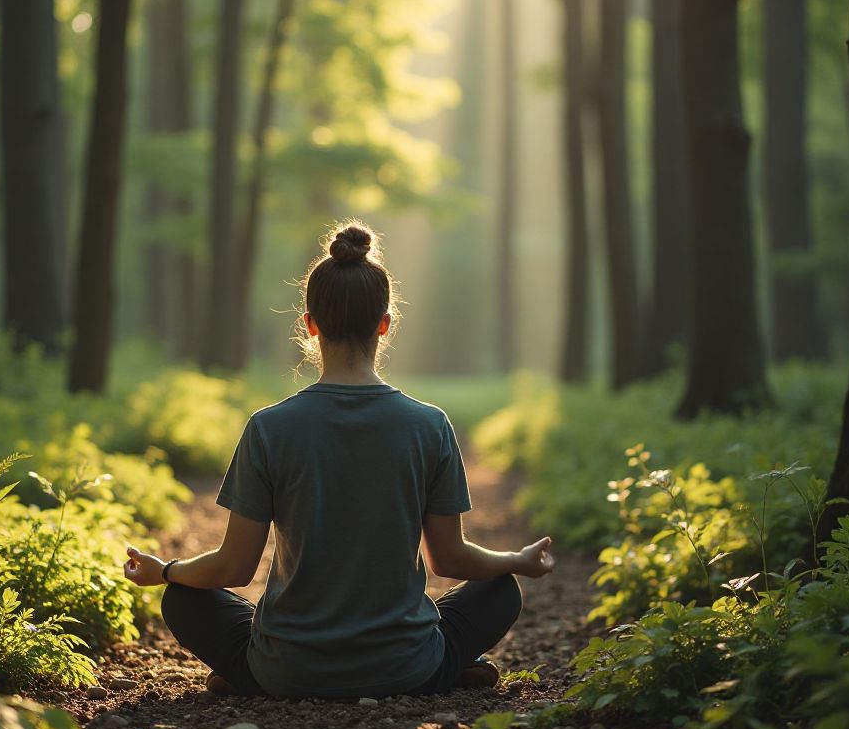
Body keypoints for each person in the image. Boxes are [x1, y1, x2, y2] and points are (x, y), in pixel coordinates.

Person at [124, 221, 555, 699]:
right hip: (406, 665)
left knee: (184, 598)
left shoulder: (269, 427)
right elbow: (450, 558)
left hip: (288, 669)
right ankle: (446, 667)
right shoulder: (429, 425)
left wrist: (165, 570)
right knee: (501, 589)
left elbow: (233, 569)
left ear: (309, 324)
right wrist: (516, 559)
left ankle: (250, 672)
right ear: (385, 324)